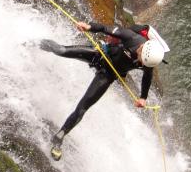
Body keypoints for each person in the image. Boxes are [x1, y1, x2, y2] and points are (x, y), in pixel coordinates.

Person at [40, 20, 166, 160]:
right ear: (143, 48)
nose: (141, 63)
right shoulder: (131, 37)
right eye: (141, 59)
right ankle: (35, 43)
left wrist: (143, 97)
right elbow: (106, 29)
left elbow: (147, 77)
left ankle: (59, 137)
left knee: (82, 108)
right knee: (61, 50)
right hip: (99, 54)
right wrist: (89, 27)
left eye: (143, 63)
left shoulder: (148, 61)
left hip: (108, 75)